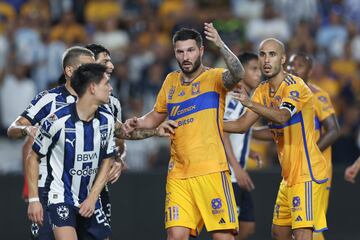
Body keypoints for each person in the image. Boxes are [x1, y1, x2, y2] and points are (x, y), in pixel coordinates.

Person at [123, 23, 245, 240]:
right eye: (180, 51)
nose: (185, 56)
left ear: (201, 51)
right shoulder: (171, 81)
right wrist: (138, 122)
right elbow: (155, 116)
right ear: (175, 53)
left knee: (222, 237)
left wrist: (220, 44)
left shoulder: (215, 77)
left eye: (190, 50)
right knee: (176, 236)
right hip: (178, 173)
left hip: (211, 171)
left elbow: (237, 73)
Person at [224, 38, 328, 240]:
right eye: (262, 54)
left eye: (272, 54)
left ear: (283, 59)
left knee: (303, 234)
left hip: (307, 173)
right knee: (279, 233)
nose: (266, 60)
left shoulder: (295, 86)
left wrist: (249, 103)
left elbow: (282, 116)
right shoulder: (263, 90)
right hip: (289, 176)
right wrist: (209, 123)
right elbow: (242, 125)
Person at [27, 63, 115, 240]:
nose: (110, 88)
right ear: (92, 87)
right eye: (106, 83)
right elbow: (33, 157)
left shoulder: (107, 119)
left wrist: (92, 197)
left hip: (90, 198)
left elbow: (107, 159)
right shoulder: (56, 120)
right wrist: (34, 200)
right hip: (60, 196)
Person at [287, 53, 340, 240]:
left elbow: (334, 130)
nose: (293, 68)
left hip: (316, 171)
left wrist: (309, 153)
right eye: (290, 64)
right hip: (296, 171)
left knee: (311, 228)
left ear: (310, 70)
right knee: (297, 228)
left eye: (299, 65)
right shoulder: (288, 96)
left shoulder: (317, 95)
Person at [222, 52, 261, 240]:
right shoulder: (235, 97)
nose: (258, 74)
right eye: (254, 69)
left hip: (238, 174)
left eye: (260, 70)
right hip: (231, 175)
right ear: (241, 70)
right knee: (230, 231)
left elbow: (238, 131)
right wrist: (237, 167)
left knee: (247, 227)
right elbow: (222, 130)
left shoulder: (245, 97)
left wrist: (249, 151)